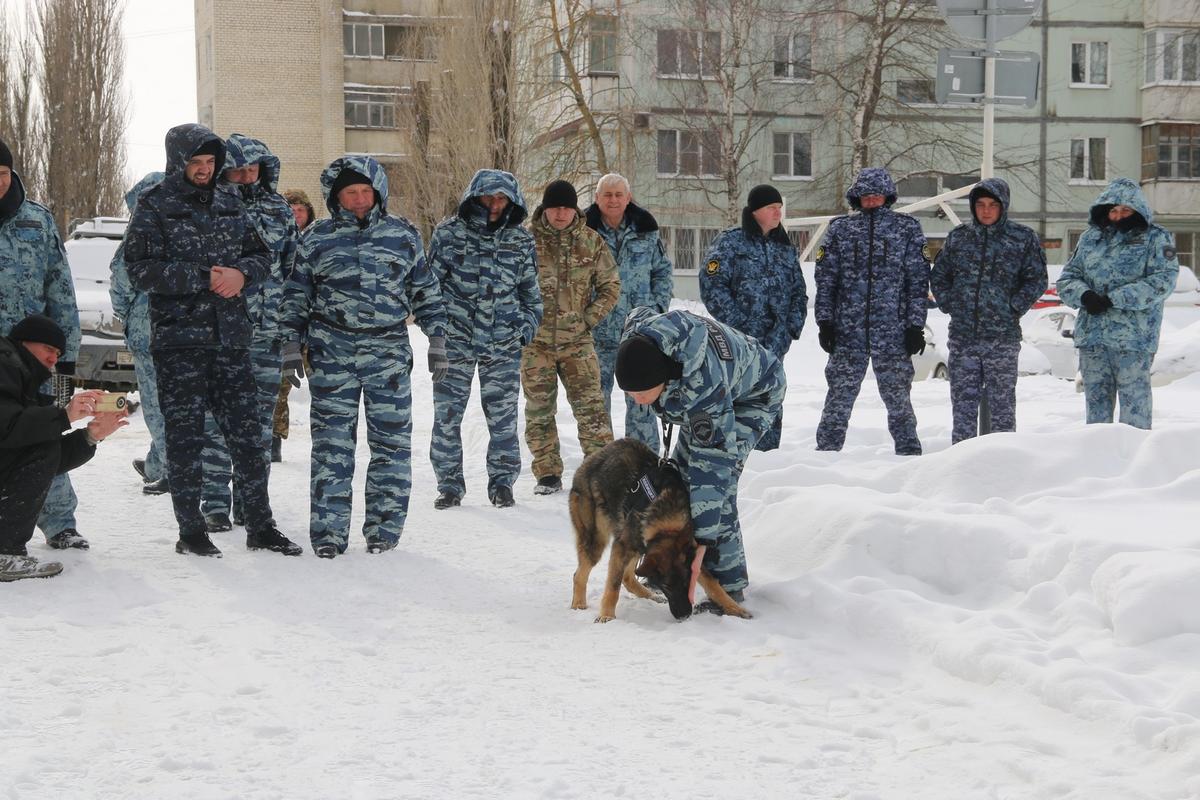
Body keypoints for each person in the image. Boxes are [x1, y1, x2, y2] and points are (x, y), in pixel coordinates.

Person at [125, 123, 302, 558]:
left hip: (231, 340)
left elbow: (261, 256)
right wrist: (204, 278)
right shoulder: (155, 206)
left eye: (210, 163)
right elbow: (140, 269)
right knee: (186, 442)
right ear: (178, 162)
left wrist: (242, 275)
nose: (204, 170)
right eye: (196, 163)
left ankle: (260, 526)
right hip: (180, 342)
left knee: (249, 439)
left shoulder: (229, 202)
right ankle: (192, 532)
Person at [278, 156, 448, 558]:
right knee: (332, 447)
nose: (358, 199)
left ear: (377, 193)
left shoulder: (402, 235)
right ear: (336, 196)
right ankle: (328, 534)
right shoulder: (316, 238)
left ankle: (384, 532)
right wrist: (289, 343)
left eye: (365, 191)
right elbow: (297, 294)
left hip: (387, 354)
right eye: (350, 192)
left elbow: (424, 290)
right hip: (331, 352)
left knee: (391, 446)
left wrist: (437, 337)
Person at [615, 306, 786, 612]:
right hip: (713, 395)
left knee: (714, 494)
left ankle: (729, 589)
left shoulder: (702, 385)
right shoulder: (641, 341)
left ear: (663, 377)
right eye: (629, 394)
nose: (636, 400)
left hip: (755, 395)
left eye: (641, 393)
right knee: (680, 480)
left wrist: (702, 539)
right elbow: (637, 312)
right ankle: (669, 564)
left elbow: (713, 468)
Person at [198, 134, 299, 532]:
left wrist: (291, 335)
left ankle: (251, 503)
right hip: (217, 334)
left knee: (257, 426)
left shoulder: (279, 211)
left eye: (251, 169)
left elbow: (294, 273)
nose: (244, 177)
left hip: (267, 336)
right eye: (236, 170)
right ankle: (215, 504)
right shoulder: (205, 208)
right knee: (215, 423)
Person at [427, 168, 542, 509]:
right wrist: (436, 334)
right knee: (447, 416)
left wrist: (524, 329)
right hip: (455, 343)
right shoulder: (448, 234)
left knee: (503, 419)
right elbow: (429, 289)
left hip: (503, 345)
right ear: (474, 197)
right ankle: (449, 485)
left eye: (502, 198)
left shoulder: (520, 241)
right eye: (488, 197)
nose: (494, 204)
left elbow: (531, 295)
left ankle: (502, 483)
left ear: (512, 201)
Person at [0, 137, 90, 551]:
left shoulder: (36, 221)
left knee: (47, 428)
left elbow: (61, 293)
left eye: (1, 174)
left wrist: (66, 361)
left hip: (34, 358)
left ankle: (59, 523)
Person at [814, 167, 930, 455]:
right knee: (838, 398)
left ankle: (909, 455)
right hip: (847, 332)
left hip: (892, 333)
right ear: (857, 198)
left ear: (887, 196)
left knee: (899, 400)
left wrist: (915, 326)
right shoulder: (841, 229)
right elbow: (826, 279)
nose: (872, 201)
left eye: (877, 195)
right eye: (866, 196)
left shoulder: (907, 229)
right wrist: (825, 322)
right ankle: (826, 455)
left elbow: (917, 281)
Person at [1, 316, 126, 581]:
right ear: (24, 342)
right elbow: (8, 429)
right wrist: (63, 416)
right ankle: (4, 552)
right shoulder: (4, 365)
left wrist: (90, 436)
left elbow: (37, 460)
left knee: (41, 443)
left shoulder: (21, 376)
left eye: (57, 354)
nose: (53, 359)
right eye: (48, 349)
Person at [930, 177, 1047, 443]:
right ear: (973, 207)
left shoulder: (1022, 238)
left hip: (1001, 339)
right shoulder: (959, 238)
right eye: (980, 204)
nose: (986, 210)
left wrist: (1013, 306)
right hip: (963, 338)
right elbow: (940, 276)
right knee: (963, 409)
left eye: (992, 205)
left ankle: (1000, 464)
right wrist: (951, 303)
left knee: (1002, 408)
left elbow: (1036, 279)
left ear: (1003, 206)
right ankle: (962, 462)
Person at [1056, 178, 1179, 429]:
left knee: (1135, 410)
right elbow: (1068, 278)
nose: (1118, 215)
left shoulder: (1156, 238)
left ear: (1138, 210)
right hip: (1093, 338)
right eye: (1113, 210)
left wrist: (1114, 299)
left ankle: (1134, 461)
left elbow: (1163, 280)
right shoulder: (1091, 238)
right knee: (1096, 412)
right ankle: (1097, 461)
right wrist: (1085, 296)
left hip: (1134, 340)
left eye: (1125, 210)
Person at [523, 179, 621, 494]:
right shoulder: (527, 243)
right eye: (555, 207)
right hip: (536, 345)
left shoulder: (591, 242)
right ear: (545, 209)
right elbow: (509, 288)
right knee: (539, 410)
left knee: (591, 409)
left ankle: (602, 474)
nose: (561, 213)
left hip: (577, 343)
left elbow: (611, 287)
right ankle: (547, 473)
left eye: (567, 207)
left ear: (575, 209)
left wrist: (586, 320)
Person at [699, 183, 807, 450]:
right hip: (739, 343)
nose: (777, 213)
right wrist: (739, 327)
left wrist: (790, 328)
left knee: (771, 398)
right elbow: (712, 286)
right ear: (755, 211)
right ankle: (731, 454)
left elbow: (799, 292)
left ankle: (768, 457)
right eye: (771, 208)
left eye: (779, 208)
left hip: (775, 343)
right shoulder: (731, 242)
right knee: (737, 398)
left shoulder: (784, 247)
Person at [584, 173, 673, 449]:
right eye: (607, 195)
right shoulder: (583, 232)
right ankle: (601, 460)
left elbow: (662, 271)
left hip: (638, 333)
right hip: (597, 330)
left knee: (642, 400)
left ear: (628, 198)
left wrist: (656, 308)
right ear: (597, 199)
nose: (613, 200)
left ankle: (642, 457)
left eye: (618, 194)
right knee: (596, 401)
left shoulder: (646, 230)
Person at [109, 171, 170, 494]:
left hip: (148, 329)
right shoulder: (185, 228)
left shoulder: (139, 234)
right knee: (180, 401)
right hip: (184, 328)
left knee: (157, 402)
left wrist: (127, 314)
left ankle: (170, 470)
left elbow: (121, 284)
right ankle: (157, 463)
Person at [271, 188, 317, 463]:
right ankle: (273, 441)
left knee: (323, 386)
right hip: (283, 325)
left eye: (300, 210)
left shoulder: (318, 238)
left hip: (314, 328)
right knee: (278, 387)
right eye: (291, 209)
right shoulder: (276, 240)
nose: (296, 214)